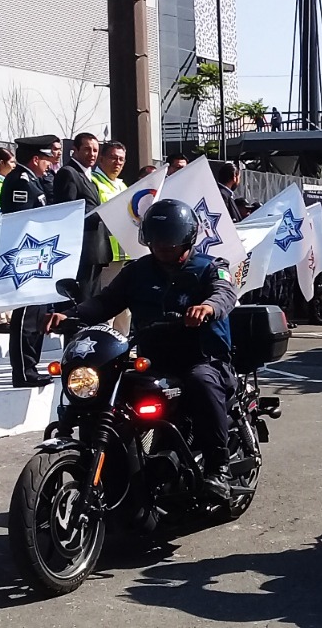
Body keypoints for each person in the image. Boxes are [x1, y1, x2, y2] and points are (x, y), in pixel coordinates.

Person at [44, 199, 238, 501]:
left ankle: (218, 469)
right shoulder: (138, 271)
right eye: (156, 240)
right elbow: (105, 302)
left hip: (201, 357)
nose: (162, 247)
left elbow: (224, 293)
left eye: (169, 241)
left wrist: (207, 307)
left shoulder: (209, 268)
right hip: (153, 358)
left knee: (201, 383)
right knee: (109, 393)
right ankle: (117, 471)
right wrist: (72, 316)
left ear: (187, 239)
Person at [2, 135, 59, 388]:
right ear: (35, 159)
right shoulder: (20, 182)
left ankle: (30, 367)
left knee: (36, 318)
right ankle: (23, 371)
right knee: (26, 318)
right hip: (26, 257)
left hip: (38, 256)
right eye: (46, 160)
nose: (49, 165)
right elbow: (22, 220)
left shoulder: (34, 180)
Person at [54, 132, 111, 299]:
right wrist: (103, 213)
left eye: (95, 150)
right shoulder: (68, 173)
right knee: (83, 300)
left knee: (94, 298)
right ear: (75, 150)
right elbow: (69, 211)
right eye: (87, 149)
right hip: (83, 249)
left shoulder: (89, 177)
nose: (92, 154)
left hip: (95, 249)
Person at [91, 141, 130, 334]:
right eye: (113, 158)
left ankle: (123, 345)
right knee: (108, 304)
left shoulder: (122, 185)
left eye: (121, 159)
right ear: (102, 158)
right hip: (106, 254)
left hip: (124, 252)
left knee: (126, 306)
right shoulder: (94, 182)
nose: (118, 162)